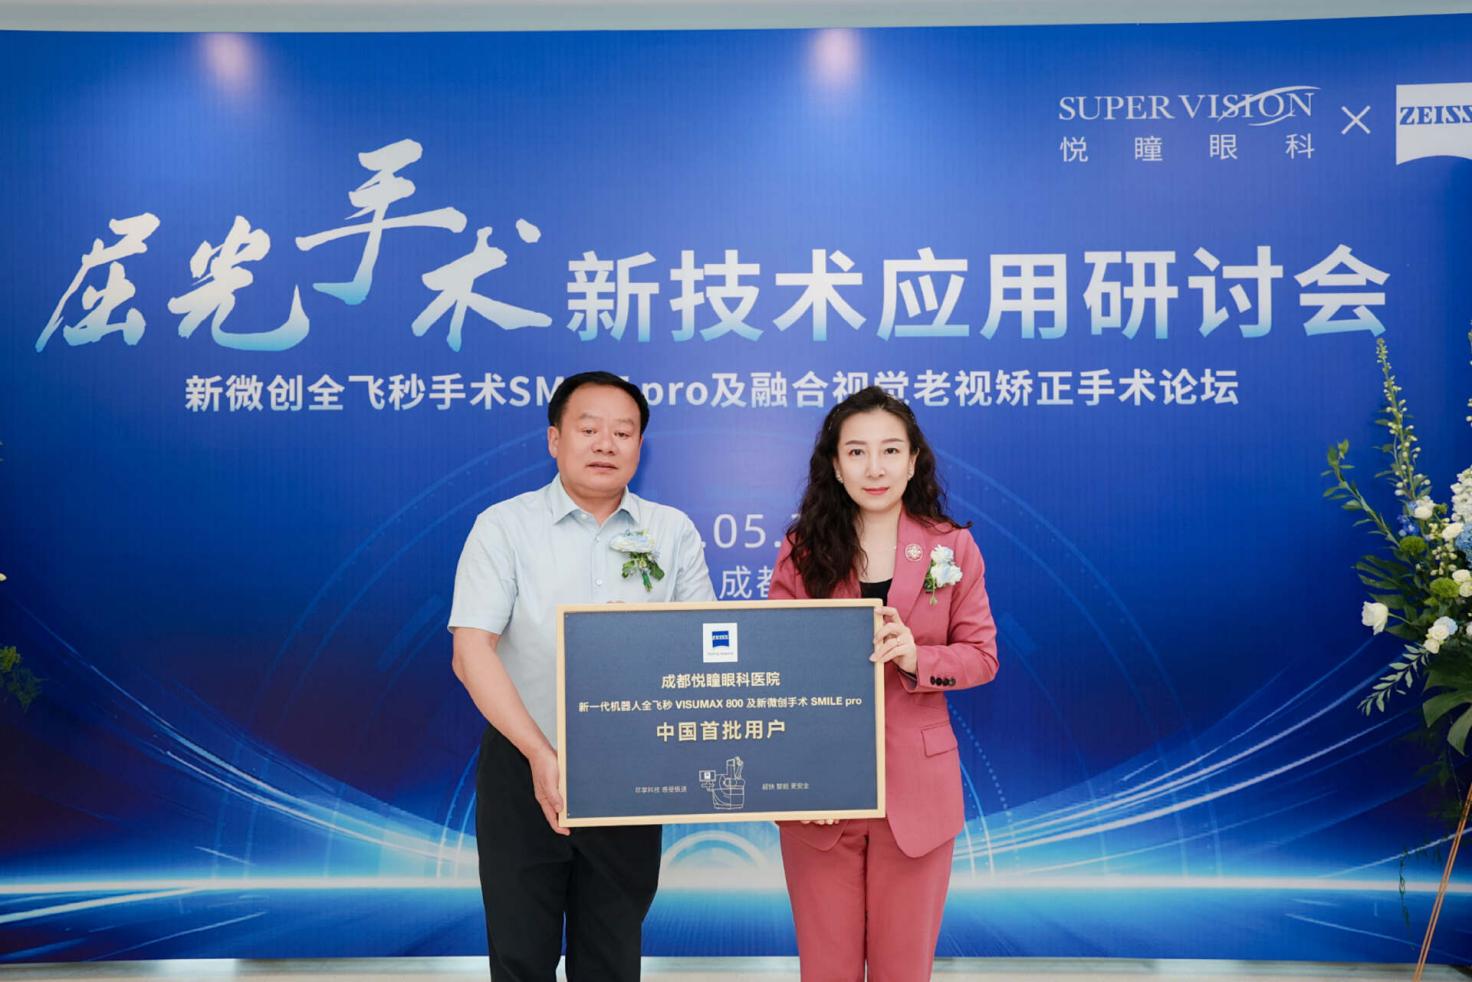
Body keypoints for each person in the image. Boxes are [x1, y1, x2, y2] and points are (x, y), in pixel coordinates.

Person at [448, 370, 716, 982]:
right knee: (520, 957)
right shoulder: (504, 527)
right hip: (523, 761)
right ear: (554, 439)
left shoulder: (671, 532)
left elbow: (703, 648)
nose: (605, 444)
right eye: (588, 428)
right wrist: (540, 754)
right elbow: (471, 652)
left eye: (623, 432)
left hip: (632, 773)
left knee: (612, 959)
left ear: (640, 446)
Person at [770, 385, 998, 982]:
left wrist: (917, 657)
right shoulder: (802, 550)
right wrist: (804, 780)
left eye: (891, 450)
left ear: (913, 461)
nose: (875, 468)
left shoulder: (952, 546)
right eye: (857, 452)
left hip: (917, 794)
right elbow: (775, 666)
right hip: (819, 789)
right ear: (834, 465)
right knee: (827, 969)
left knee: (904, 969)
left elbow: (982, 657)